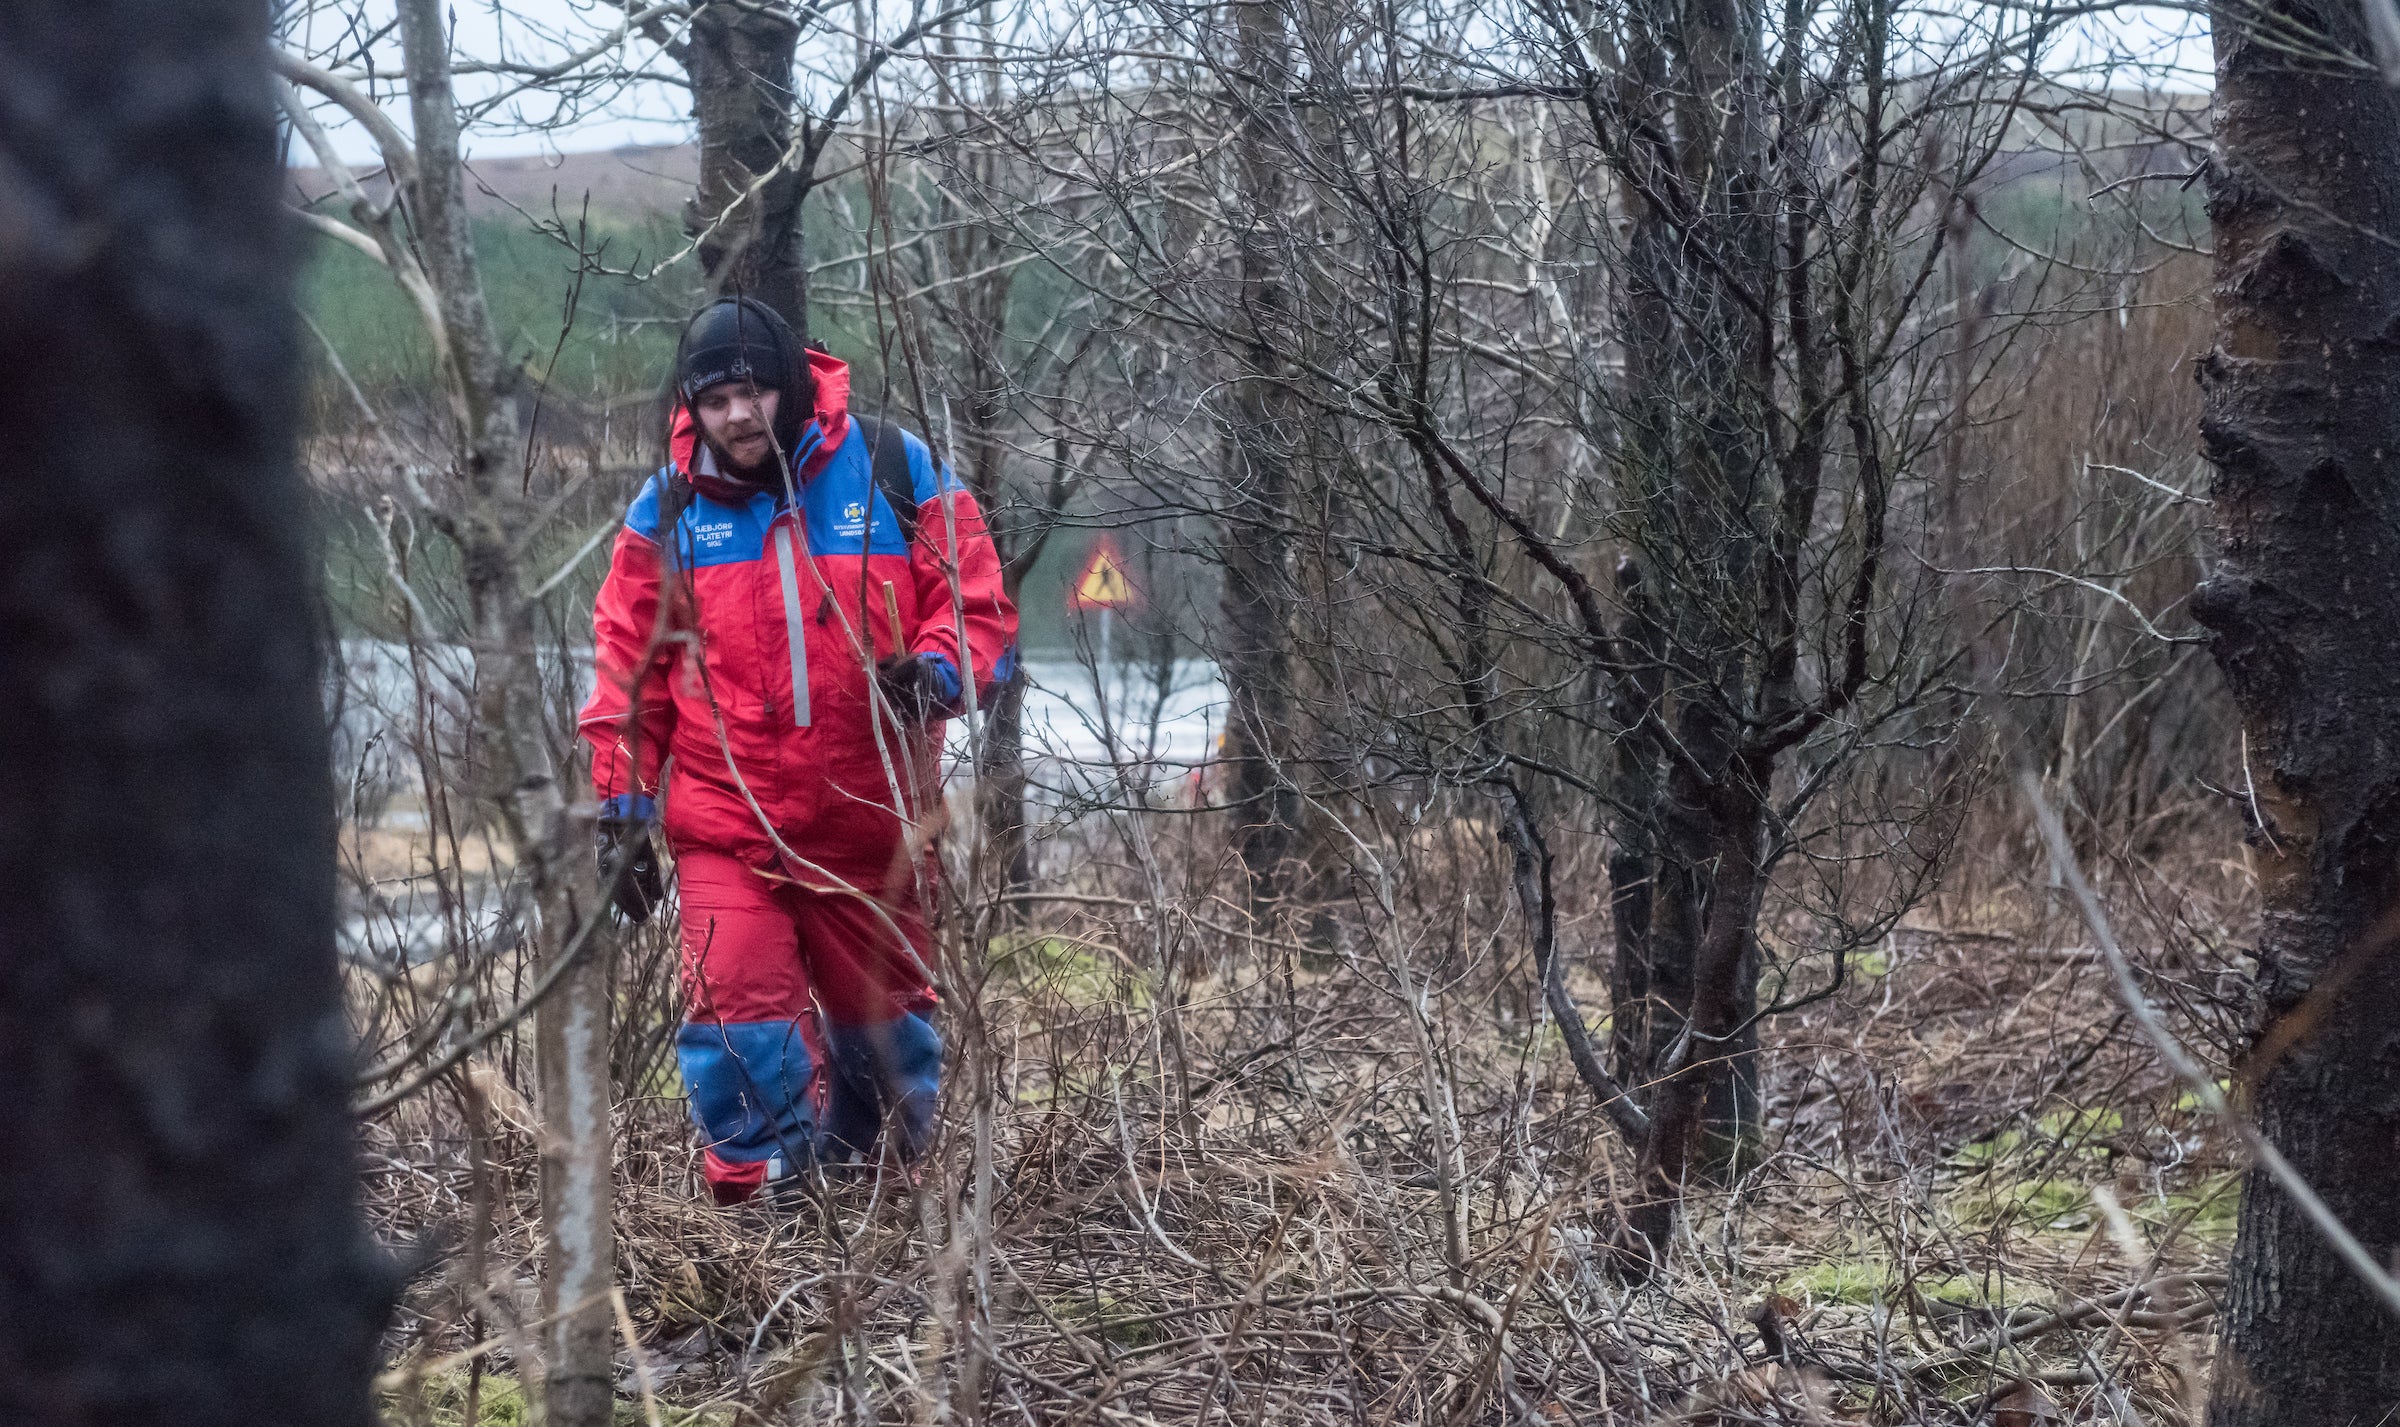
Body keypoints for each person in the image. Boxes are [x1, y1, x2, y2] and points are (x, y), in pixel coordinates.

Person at [577, 297, 1018, 1205]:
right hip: (727, 823)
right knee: (741, 1019)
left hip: (875, 827)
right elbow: (628, 666)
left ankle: (875, 1200)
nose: (736, 414)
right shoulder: (668, 510)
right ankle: (761, 1204)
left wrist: (939, 674)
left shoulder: (895, 469)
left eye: (752, 391)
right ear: (689, 407)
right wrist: (619, 805)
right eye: (714, 399)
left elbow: (979, 607)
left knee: (884, 1039)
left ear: (789, 385)